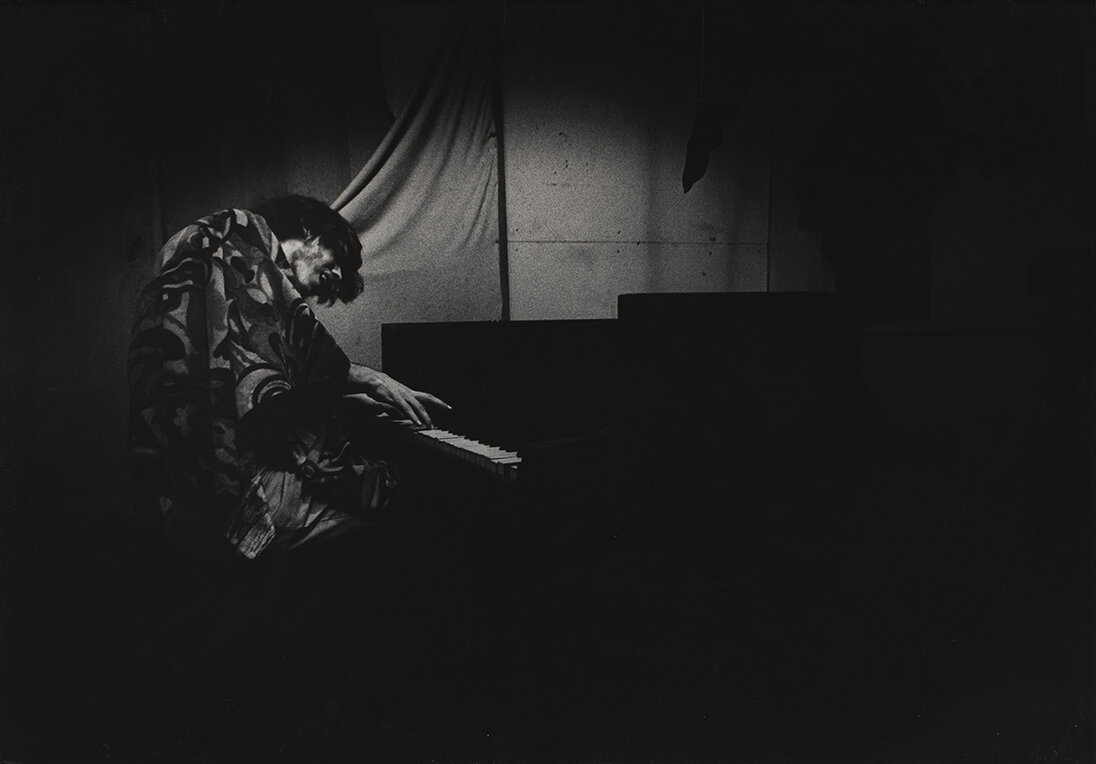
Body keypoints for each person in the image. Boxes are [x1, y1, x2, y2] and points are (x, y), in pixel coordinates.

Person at [127, 195, 452, 743]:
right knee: (390, 522)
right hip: (227, 494)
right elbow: (284, 400)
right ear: (309, 233)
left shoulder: (212, 261)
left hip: (172, 486)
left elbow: (259, 371)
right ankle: (328, 700)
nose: (334, 283)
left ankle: (286, 682)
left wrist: (353, 388)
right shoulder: (244, 242)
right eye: (336, 263)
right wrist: (367, 397)